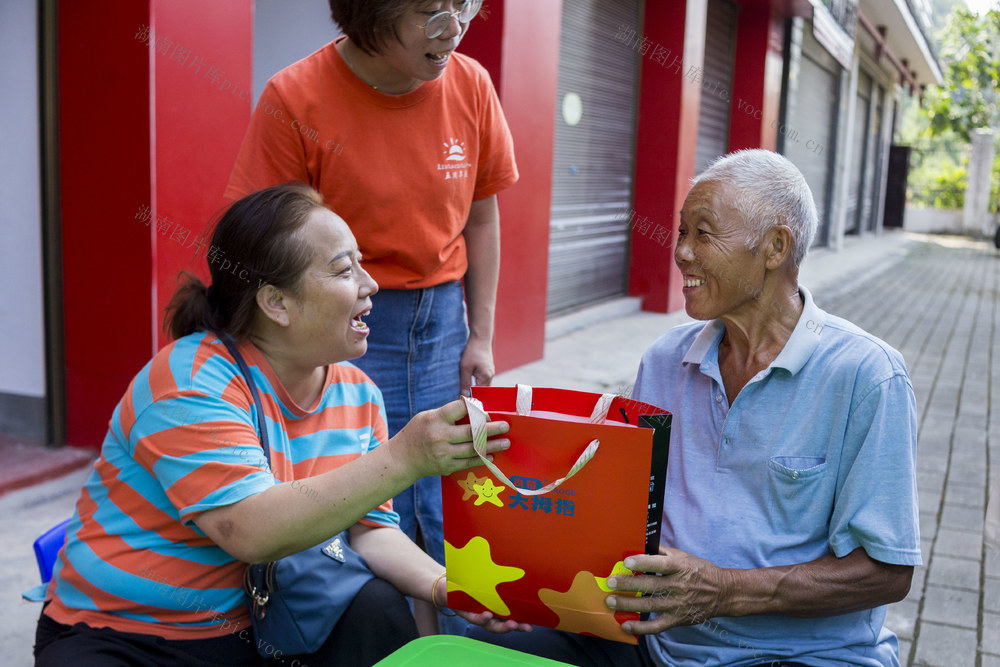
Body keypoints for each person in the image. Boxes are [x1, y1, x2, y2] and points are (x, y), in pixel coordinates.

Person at [33, 183, 526, 667]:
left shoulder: (358, 392)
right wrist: (404, 457)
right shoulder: (191, 382)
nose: (370, 284)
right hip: (121, 636)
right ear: (276, 303)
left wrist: (449, 588)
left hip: (253, 628)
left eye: (361, 262)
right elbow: (249, 529)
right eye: (342, 270)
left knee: (375, 606)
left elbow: (371, 532)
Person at [469, 150, 921, 666]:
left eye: (703, 233)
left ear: (776, 246)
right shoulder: (666, 359)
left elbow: (888, 572)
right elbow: (623, 516)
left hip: (802, 656)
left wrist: (723, 591)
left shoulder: (866, 374)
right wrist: (536, 579)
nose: (681, 252)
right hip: (655, 640)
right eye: (681, 232)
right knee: (483, 652)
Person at [224, 1, 518, 633]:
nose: (454, 25)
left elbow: (483, 216)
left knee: (452, 489)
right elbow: (261, 249)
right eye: (427, 10)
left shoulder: (470, 84)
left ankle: (457, 635)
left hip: (441, 316)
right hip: (340, 318)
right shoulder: (296, 97)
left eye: (463, 4)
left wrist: (482, 333)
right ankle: (370, 635)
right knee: (361, 494)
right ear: (369, 13)